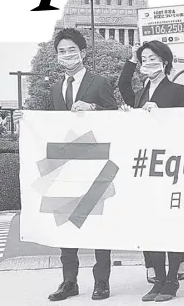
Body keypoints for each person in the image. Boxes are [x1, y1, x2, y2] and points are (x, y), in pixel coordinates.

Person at [14, 28, 117, 301]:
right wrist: (27, 119)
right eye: (62, 51)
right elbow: (52, 124)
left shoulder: (100, 82)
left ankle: (102, 281)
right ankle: (69, 281)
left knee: (97, 224)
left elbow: (117, 118)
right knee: (65, 223)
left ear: (83, 53)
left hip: (95, 163)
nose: (67, 55)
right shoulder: (54, 88)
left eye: (72, 50)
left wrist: (94, 109)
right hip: (66, 164)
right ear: (57, 56)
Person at [118, 40, 184, 302]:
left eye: (153, 58)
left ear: (165, 62)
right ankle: (158, 278)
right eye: (144, 59)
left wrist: (162, 115)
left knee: (170, 225)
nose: (148, 63)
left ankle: (172, 279)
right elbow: (122, 87)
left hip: (171, 166)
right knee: (151, 225)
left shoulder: (177, 89)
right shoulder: (140, 93)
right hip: (146, 166)